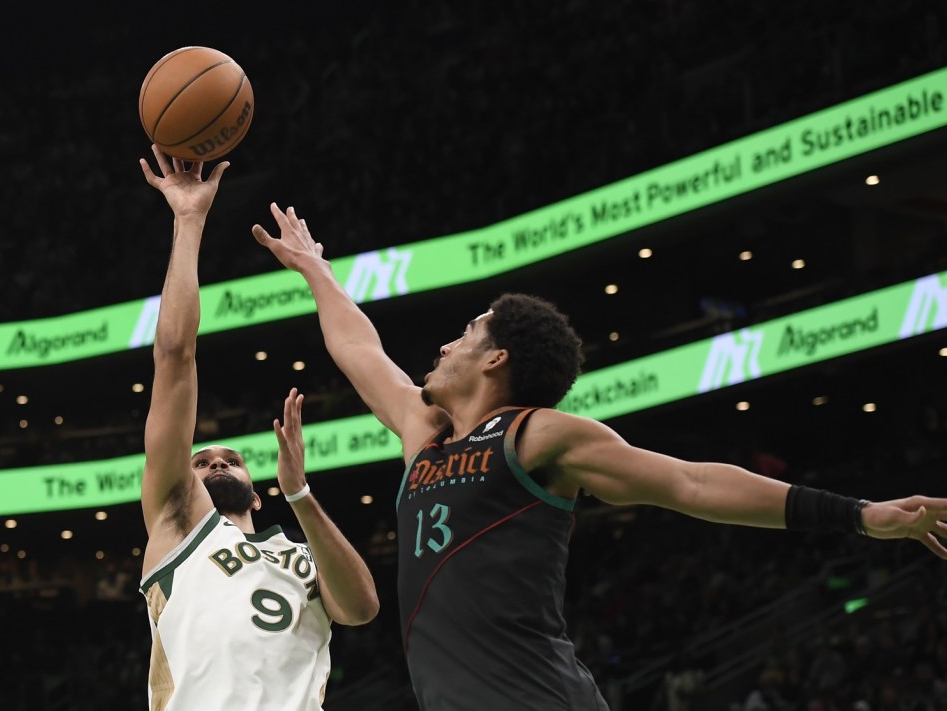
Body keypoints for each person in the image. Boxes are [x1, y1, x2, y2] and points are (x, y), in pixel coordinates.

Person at [252, 202, 947, 711]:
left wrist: (859, 515)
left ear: (496, 358)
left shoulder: (540, 436)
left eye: (464, 333)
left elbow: (692, 483)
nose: (443, 345)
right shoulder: (423, 435)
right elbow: (358, 348)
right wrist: (317, 272)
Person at [136, 150, 379, 711]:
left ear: (258, 483)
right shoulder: (176, 523)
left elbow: (362, 608)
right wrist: (188, 220)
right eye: (202, 461)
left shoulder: (300, 552)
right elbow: (175, 356)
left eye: (229, 459)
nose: (217, 463)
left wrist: (301, 494)